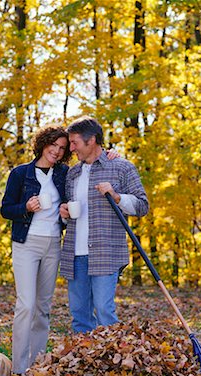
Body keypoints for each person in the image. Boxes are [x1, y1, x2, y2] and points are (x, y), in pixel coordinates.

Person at [59, 116, 149, 333]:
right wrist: (64, 213)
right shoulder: (73, 173)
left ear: (91, 141)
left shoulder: (122, 168)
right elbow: (68, 213)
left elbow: (142, 206)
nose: (71, 148)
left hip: (106, 252)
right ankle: (85, 361)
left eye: (75, 143)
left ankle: (113, 363)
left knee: (104, 311)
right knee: (79, 313)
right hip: (75, 253)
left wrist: (117, 197)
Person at [1, 125, 71, 375]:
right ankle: (19, 368)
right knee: (26, 305)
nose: (57, 151)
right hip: (26, 244)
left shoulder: (64, 174)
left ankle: (37, 365)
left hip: (53, 244)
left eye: (62, 148)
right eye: (54, 145)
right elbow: (6, 209)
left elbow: (89, 171)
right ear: (43, 143)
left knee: (43, 307)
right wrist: (25, 208)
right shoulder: (20, 173)